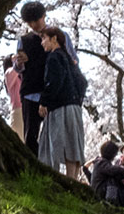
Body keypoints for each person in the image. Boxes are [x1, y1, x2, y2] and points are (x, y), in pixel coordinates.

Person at [36, 27, 87, 179]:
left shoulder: (53, 57)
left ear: (54, 39)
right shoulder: (69, 59)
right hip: (74, 106)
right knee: (73, 144)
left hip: (61, 107)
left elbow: (54, 81)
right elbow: (83, 82)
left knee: (57, 143)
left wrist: (44, 101)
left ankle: (57, 179)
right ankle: (73, 180)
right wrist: (77, 99)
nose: (42, 43)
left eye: (44, 38)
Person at [16, 1, 48, 153]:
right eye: (30, 22)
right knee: (30, 135)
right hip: (30, 92)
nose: (34, 24)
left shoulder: (56, 36)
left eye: (36, 20)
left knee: (51, 135)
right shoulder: (24, 40)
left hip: (50, 91)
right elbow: (18, 68)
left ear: (44, 16)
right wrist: (19, 62)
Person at [3, 53, 26, 138]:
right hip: (18, 110)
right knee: (20, 137)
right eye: (14, 59)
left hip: (25, 108)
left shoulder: (21, 75)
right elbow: (16, 68)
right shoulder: (8, 73)